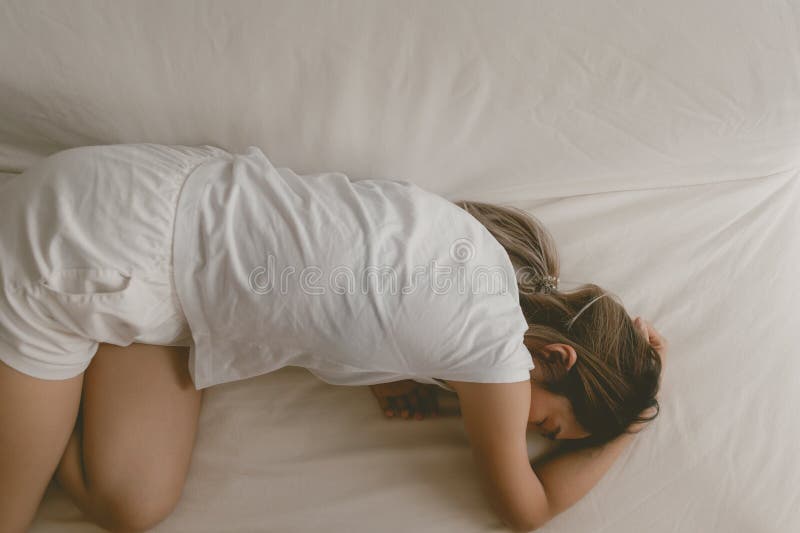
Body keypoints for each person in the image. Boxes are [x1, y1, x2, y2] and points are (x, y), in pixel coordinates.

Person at [0, 143, 664, 532]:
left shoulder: (483, 262)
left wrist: (415, 383)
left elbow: (358, 282)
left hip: (164, 231)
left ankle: (46, 400)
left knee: (130, 500)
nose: (526, 434)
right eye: (547, 424)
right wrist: (631, 424)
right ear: (553, 356)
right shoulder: (495, 350)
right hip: (84, 254)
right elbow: (527, 508)